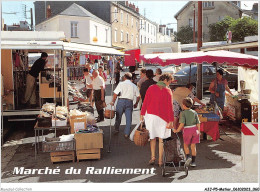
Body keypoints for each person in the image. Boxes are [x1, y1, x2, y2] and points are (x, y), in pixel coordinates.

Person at [140, 73, 174, 167]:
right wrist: (171, 120)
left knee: (152, 137)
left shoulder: (151, 88)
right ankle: (160, 161)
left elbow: (145, 102)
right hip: (163, 118)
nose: (169, 84)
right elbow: (170, 107)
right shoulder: (168, 90)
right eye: (170, 82)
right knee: (161, 139)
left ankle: (153, 157)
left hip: (150, 116)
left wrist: (142, 114)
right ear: (166, 80)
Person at [110, 73, 141, 138]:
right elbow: (138, 96)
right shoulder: (134, 85)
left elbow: (115, 94)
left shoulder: (121, 84)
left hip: (121, 101)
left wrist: (113, 101)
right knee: (129, 118)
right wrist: (136, 103)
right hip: (129, 102)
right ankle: (126, 133)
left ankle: (116, 129)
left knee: (118, 116)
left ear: (125, 77)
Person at [173, 97, 200, 167]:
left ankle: (188, 157)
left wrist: (177, 130)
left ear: (184, 105)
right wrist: (199, 131)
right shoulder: (194, 112)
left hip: (187, 130)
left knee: (185, 145)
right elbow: (198, 123)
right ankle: (193, 162)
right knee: (193, 146)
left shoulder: (183, 113)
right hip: (195, 130)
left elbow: (182, 123)